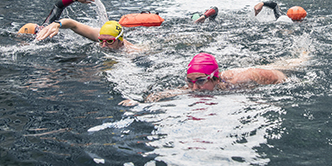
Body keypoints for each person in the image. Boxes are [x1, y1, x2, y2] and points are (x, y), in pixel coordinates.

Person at [119, 51, 308, 106]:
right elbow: (167, 93)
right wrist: (139, 103)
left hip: (269, 72)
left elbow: (277, 76)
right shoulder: (194, 85)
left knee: (295, 63)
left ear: (214, 79)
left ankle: (303, 56)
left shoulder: (244, 78)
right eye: (190, 81)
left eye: (200, 81)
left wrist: (294, 82)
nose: (194, 88)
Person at [18, 0, 97, 35]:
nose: (41, 27)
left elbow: (58, 6)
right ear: (35, 35)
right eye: (37, 29)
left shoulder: (48, 26)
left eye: (38, 25)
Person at [36, 19, 137, 51]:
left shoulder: (130, 52)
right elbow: (74, 24)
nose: (104, 45)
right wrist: (57, 24)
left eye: (110, 41)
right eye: (101, 40)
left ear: (121, 43)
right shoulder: (103, 37)